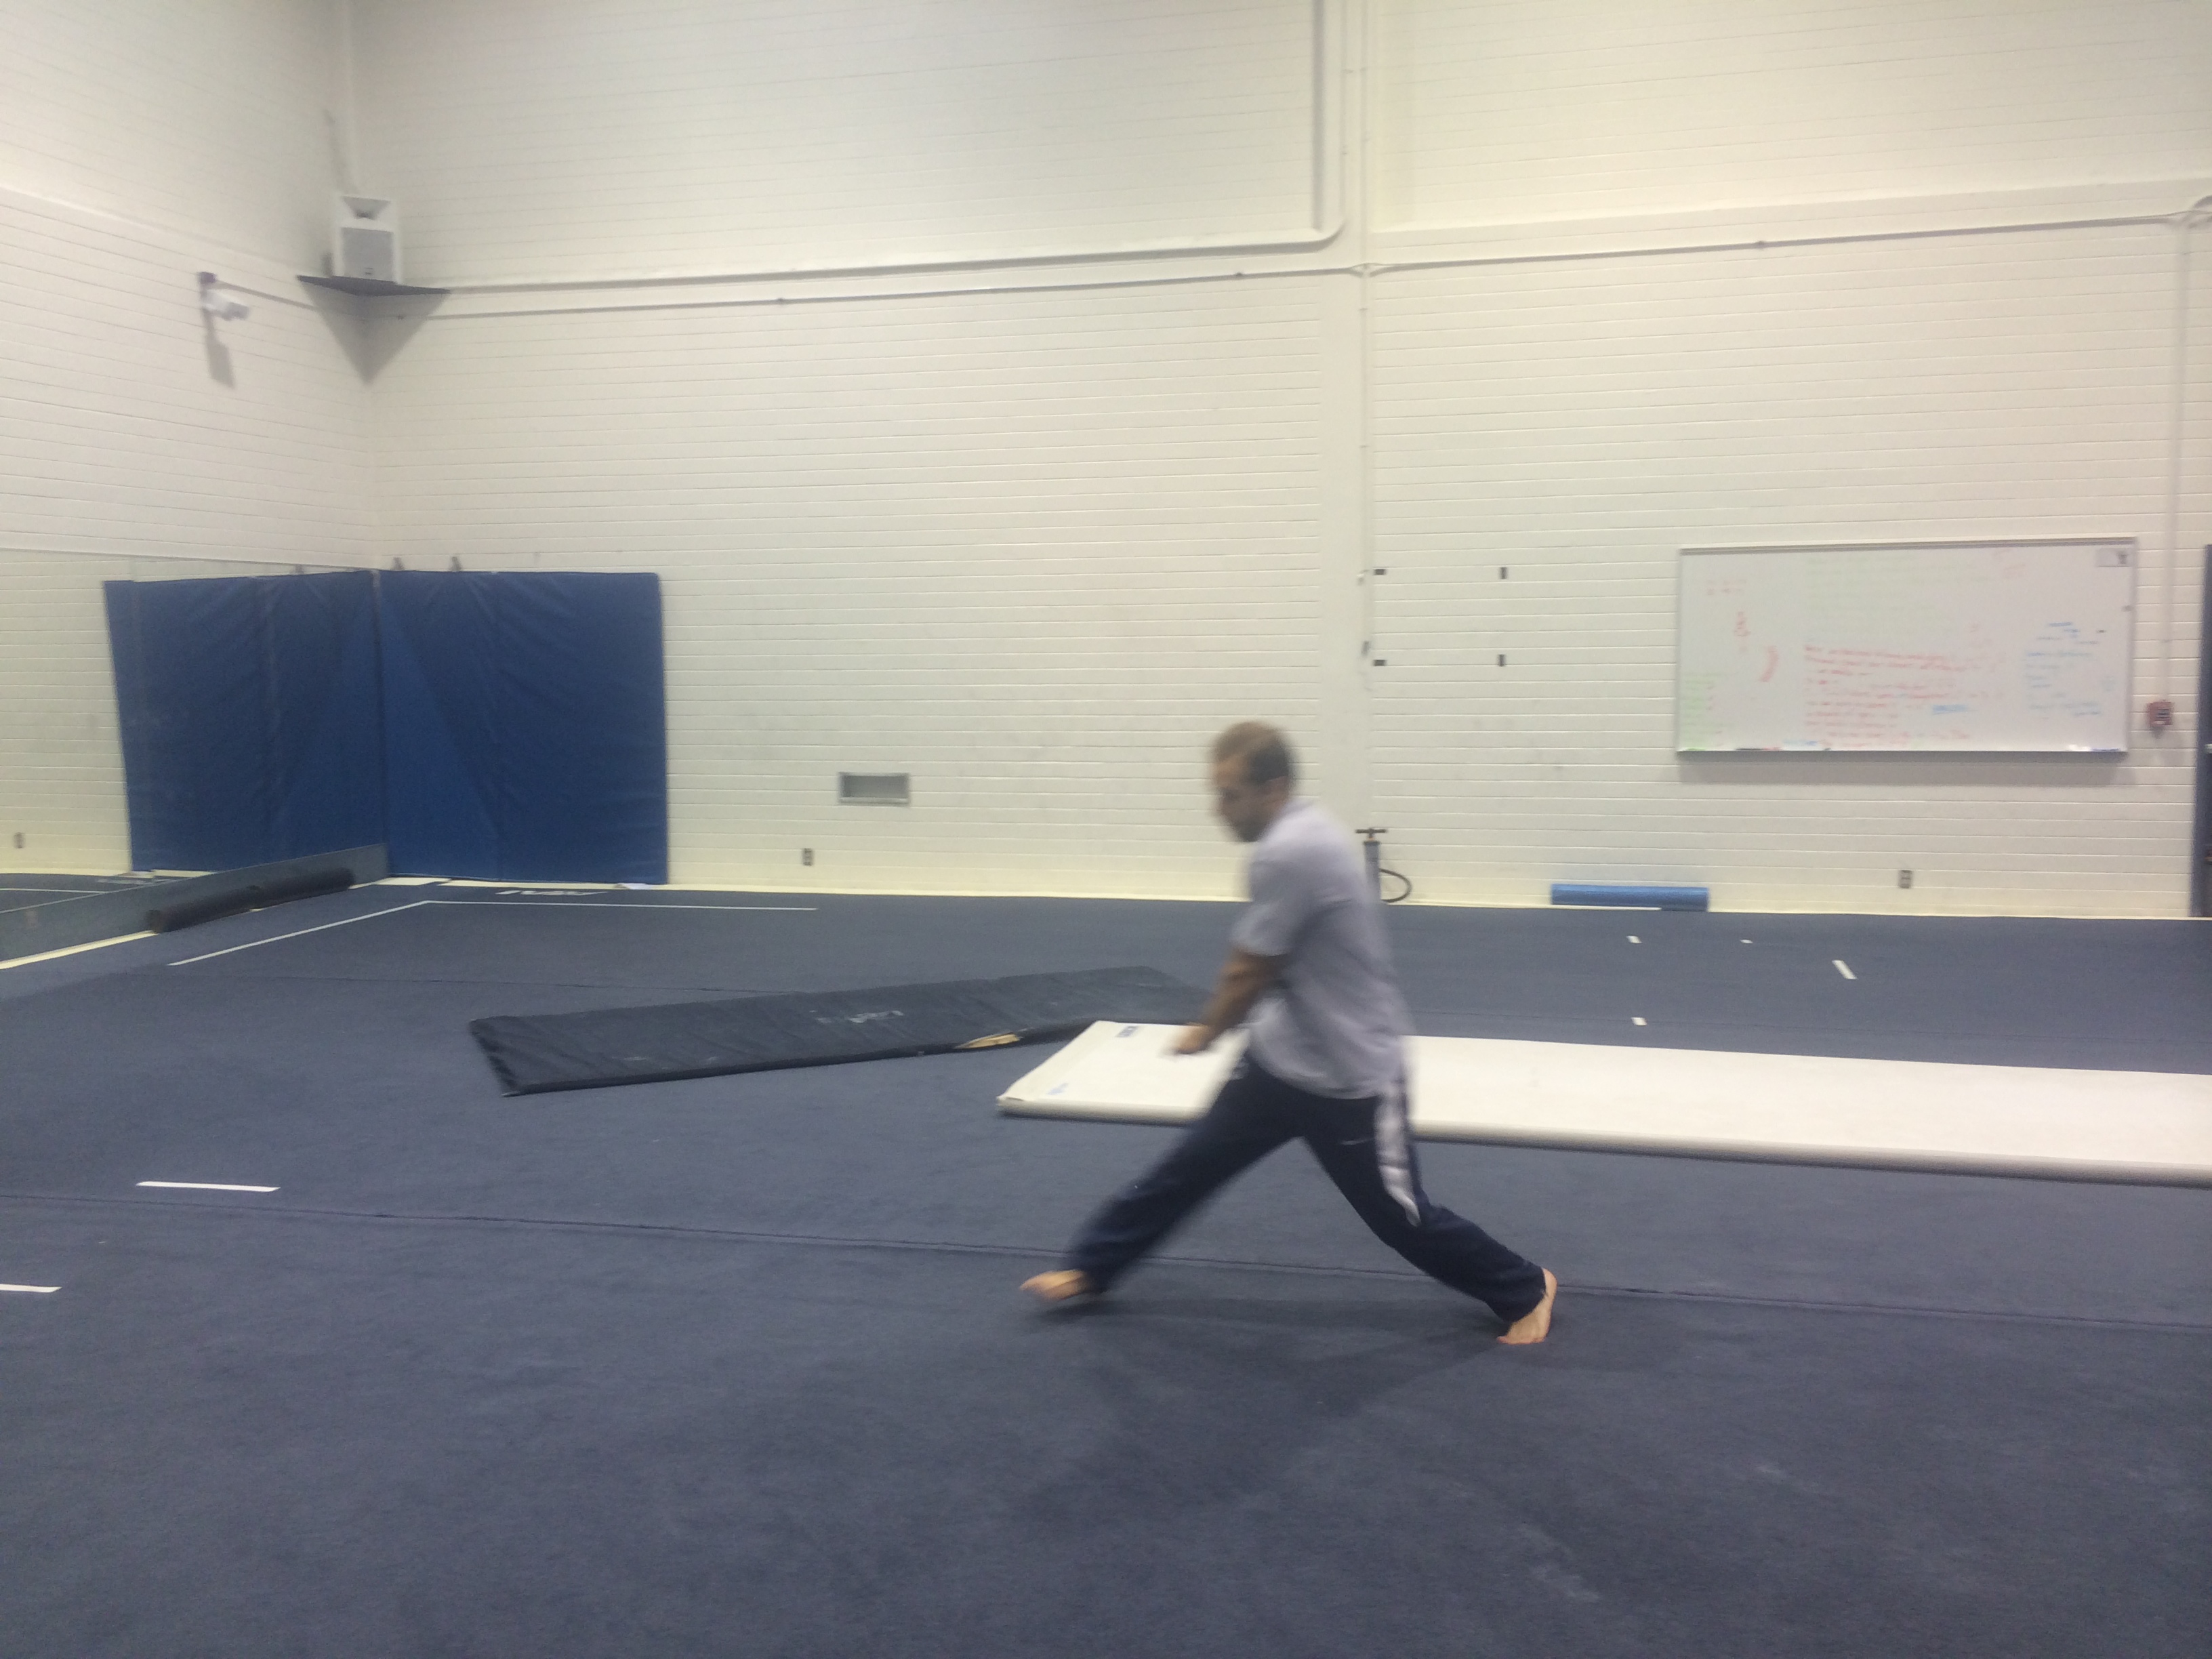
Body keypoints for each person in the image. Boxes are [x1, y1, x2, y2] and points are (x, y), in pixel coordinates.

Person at [1023, 722, 1557, 1344]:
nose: (1218, 810)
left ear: (1272, 789)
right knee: (1188, 1168)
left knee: (1400, 1216)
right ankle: (1092, 1268)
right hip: (1279, 1060)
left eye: (1229, 795)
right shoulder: (1296, 834)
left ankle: (1525, 1286)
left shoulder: (1292, 852)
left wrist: (1207, 1029)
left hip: (1351, 1077)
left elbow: (1249, 970)